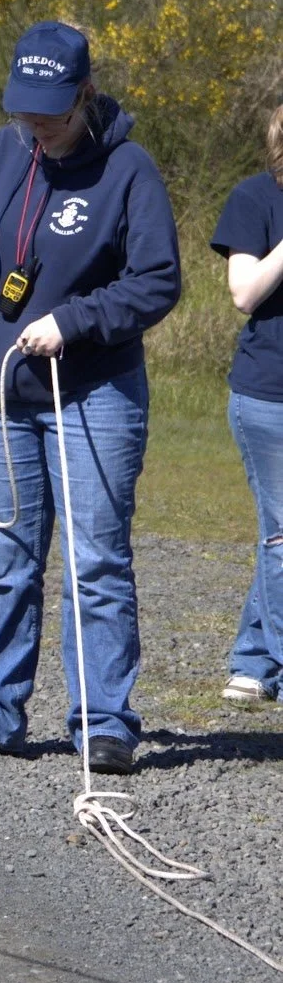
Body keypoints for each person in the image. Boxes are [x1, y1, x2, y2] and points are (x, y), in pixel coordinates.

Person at [0, 20, 181, 775]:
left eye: (50, 114)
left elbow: (157, 280)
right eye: (23, 111)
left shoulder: (129, 170)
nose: (35, 127)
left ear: (84, 95)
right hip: (4, 391)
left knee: (94, 561)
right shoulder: (4, 152)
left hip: (93, 393)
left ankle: (104, 720)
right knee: (8, 555)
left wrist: (76, 320)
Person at [209, 107, 283, 705]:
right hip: (269, 397)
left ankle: (254, 661)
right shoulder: (255, 199)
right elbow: (244, 292)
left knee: (278, 533)